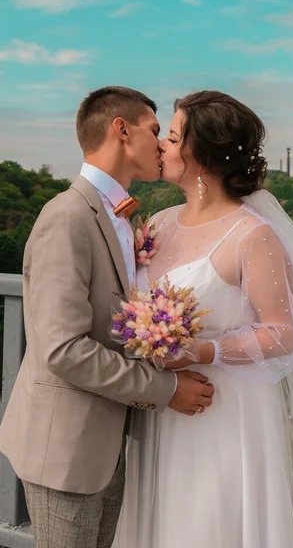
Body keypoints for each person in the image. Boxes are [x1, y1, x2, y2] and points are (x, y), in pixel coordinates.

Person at [113, 90, 293, 548]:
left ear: (200, 155)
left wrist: (203, 349)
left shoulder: (253, 235)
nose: (162, 147)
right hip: (160, 409)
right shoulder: (160, 225)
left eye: (170, 137)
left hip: (221, 412)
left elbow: (282, 333)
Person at [0, 86, 214, 548]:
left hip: (110, 444)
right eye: (155, 131)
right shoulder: (67, 217)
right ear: (121, 130)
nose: (161, 145)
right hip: (66, 451)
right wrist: (167, 389)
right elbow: (64, 349)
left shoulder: (124, 218)